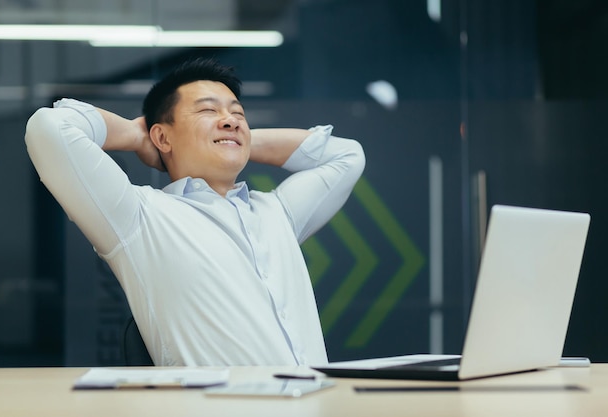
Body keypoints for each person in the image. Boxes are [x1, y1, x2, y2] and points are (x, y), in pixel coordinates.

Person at [25, 57, 365, 366]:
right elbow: (50, 128)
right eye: (207, 111)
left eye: (238, 113)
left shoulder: (277, 211)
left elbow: (347, 156)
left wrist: (236, 139)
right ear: (162, 136)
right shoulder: (138, 216)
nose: (230, 120)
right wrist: (135, 134)